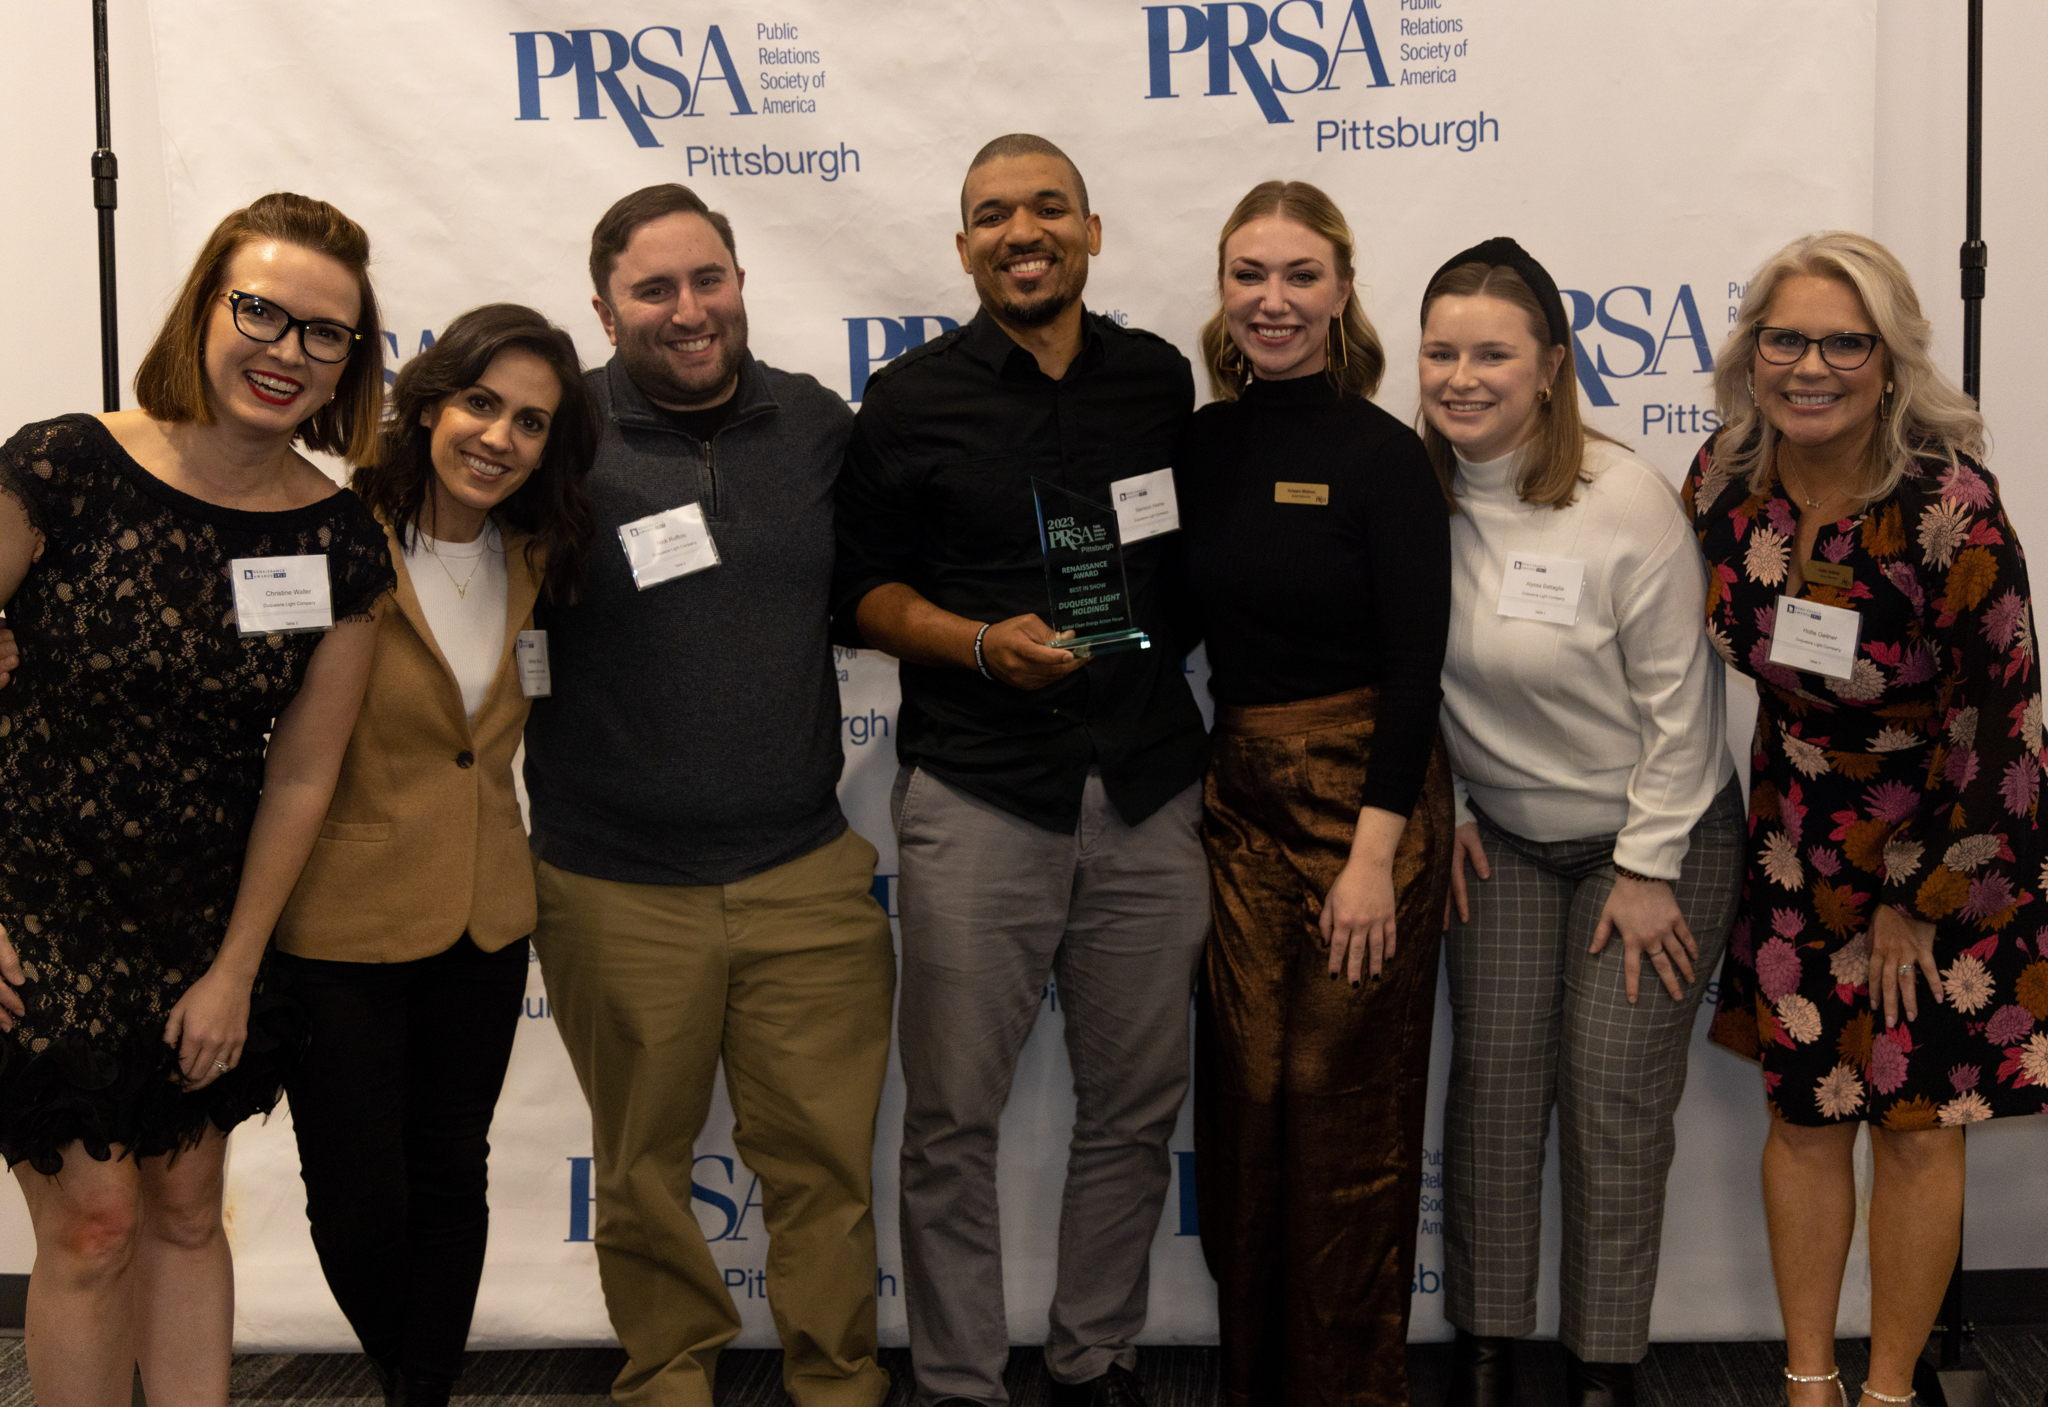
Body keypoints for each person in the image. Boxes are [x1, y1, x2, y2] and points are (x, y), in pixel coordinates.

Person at [833, 132, 1207, 1407]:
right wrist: (977, 644)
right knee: (949, 1122)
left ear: (1092, 232)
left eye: (1048, 207)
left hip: (1150, 791)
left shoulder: (1159, 381)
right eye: (992, 213)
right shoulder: (907, 400)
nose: (1021, 230)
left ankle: (1093, 1351)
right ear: (962, 248)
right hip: (979, 791)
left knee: (1135, 1106)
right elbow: (859, 594)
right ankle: (953, 1379)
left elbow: (1193, 570)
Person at [0, 192, 392, 1407]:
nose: (287, 351)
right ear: (206, 310)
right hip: (38, 909)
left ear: (349, 364)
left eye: (323, 334)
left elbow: (304, 772)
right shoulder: (60, 464)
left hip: (204, 924)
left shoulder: (340, 538)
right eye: (262, 311)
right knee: (94, 1224)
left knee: (180, 1210)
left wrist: (235, 967)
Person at [523, 184, 896, 1407]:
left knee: (826, 1172)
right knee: (639, 1173)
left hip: (804, 873)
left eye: (708, 280)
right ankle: (667, 1381)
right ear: (603, 307)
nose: (688, 312)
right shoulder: (553, 434)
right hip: (612, 885)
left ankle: (838, 1383)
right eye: (653, 289)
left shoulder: (817, 422)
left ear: (739, 280)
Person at [1687, 232, 2046, 1407]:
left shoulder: (1949, 507)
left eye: (1844, 341)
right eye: (1783, 337)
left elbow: (2003, 723)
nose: (1809, 365)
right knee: (1800, 1115)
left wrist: (1916, 903)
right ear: (1750, 353)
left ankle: (1888, 1391)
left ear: (1888, 362)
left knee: (1910, 1123)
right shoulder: (1724, 482)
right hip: (1795, 838)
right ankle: (1806, 1384)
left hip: (1947, 844)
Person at [1421, 238, 1744, 1407]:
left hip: (1653, 839)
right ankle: (1489, 1344)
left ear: (1551, 366)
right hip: (1499, 836)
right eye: (1440, 350)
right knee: (1495, 1086)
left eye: (1492, 353)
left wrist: (1647, 867)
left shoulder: (1625, 503)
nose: (1461, 376)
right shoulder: (1417, 493)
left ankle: (1603, 1361)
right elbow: (1397, 673)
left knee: (1611, 1096)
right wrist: (1446, 799)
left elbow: (1682, 705)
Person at [271, 303, 597, 1407]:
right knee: (356, 1196)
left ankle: (423, 1391)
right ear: (428, 404)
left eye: (532, 422)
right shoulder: (328, 526)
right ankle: (407, 1366)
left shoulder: (538, 553)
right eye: (481, 404)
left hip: (486, 916)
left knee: (454, 1172)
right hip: (339, 914)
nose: (501, 437)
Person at [1174, 180, 1452, 1407]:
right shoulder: (1200, 444)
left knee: (1340, 1116)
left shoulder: (1384, 456)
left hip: (1365, 813)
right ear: (1222, 291)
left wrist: (1370, 856)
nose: (1271, 301)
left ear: (1340, 290)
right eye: (1249, 275)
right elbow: (1165, 624)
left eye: (1298, 276)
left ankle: (1348, 1388)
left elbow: (1414, 668)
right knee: (1242, 1103)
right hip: (1236, 803)